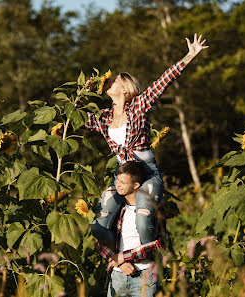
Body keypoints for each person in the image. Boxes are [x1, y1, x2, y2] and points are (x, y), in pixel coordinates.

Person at [86, 34, 208, 252]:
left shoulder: (139, 107)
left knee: (143, 223)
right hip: (122, 175)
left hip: (146, 173)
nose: (109, 82)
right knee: (98, 227)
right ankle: (119, 261)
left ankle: (156, 259)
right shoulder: (103, 117)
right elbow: (75, 118)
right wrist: (86, 89)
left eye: (115, 81)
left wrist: (190, 55)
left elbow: (164, 80)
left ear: (125, 89)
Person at [95, 161, 164, 297]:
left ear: (136, 185)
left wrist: (123, 257)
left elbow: (160, 245)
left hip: (145, 276)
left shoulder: (151, 211)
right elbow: (99, 242)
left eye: (123, 182)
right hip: (118, 276)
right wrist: (119, 261)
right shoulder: (116, 210)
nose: (117, 185)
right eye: (118, 180)